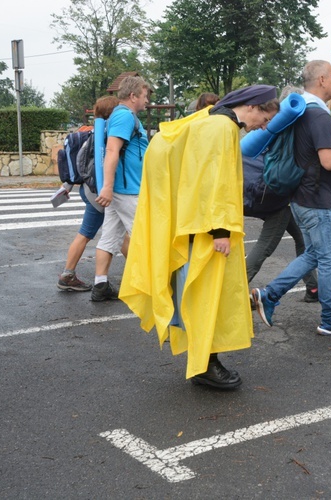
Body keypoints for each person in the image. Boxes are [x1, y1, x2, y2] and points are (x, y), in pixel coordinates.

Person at [120, 84, 279, 390]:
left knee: (202, 300)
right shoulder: (223, 128)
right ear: (255, 107)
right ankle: (205, 366)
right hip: (209, 232)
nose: (264, 126)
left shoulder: (211, 120)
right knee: (208, 301)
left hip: (197, 227)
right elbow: (212, 180)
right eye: (266, 118)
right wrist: (219, 230)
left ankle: (206, 362)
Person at [251, 60, 331, 336]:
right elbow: (328, 161)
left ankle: (269, 295)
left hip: (301, 197)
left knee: (314, 254)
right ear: (322, 80)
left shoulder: (302, 110)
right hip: (318, 199)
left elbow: (311, 146)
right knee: (328, 259)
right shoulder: (320, 115)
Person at [243, 86, 318, 302]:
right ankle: (232, 291)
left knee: (302, 236)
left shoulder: (268, 122)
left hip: (253, 189)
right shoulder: (289, 127)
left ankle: (313, 288)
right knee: (265, 246)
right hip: (273, 196)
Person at [57, 95, 130, 292]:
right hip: (99, 194)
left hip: (87, 190)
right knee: (117, 234)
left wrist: (67, 186)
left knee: (93, 234)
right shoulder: (108, 135)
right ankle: (137, 275)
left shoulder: (92, 133)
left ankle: (68, 274)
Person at [91, 76, 150, 301]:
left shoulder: (123, 116)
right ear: (133, 96)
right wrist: (106, 187)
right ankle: (147, 285)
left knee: (110, 237)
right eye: (144, 96)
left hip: (121, 189)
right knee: (144, 237)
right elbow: (112, 151)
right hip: (127, 190)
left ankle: (100, 286)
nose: (147, 101)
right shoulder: (125, 116)